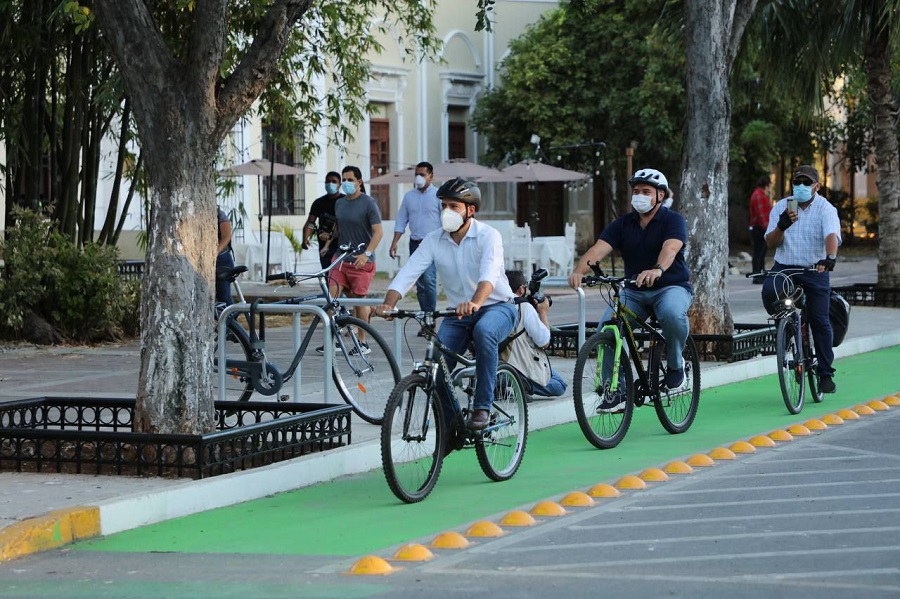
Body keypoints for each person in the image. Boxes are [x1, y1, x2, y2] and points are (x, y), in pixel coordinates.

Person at [374, 178, 517, 431]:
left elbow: (489, 276)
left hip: (497, 307)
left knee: (484, 332)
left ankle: (482, 407)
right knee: (437, 364)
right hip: (458, 314)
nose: (446, 212)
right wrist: (389, 303)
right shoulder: (433, 239)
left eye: (454, 206)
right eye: (443, 206)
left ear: (470, 210)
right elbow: (410, 271)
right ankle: (453, 427)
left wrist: (475, 302)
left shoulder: (488, 236)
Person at [567, 168, 692, 411]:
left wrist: (657, 269)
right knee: (608, 328)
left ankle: (677, 366)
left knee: (671, 314)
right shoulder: (623, 224)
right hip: (634, 291)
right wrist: (579, 271)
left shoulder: (673, 220)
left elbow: (671, 249)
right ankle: (615, 390)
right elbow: (597, 250)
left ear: (661, 195)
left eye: (646, 191)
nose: (640, 196)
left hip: (671, 286)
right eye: (636, 191)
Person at [762, 164, 841, 393]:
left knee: (819, 319)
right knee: (769, 291)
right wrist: (781, 226)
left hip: (815, 269)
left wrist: (830, 258)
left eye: (807, 183)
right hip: (785, 267)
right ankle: (785, 333)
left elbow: (831, 235)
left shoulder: (825, 209)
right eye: (797, 183)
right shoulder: (782, 207)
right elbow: (770, 243)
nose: (802, 187)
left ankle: (825, 373)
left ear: (816, 186)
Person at [322, 165, 383, 353]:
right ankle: (332, 338)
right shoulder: (339, 204)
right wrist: (327, 243)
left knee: (358, 300)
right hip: (341, 258)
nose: (346, 183)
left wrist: (366, 254)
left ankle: (362, 342)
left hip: (361, 260)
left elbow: (378, 232)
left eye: (350, 179)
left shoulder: (369, 203)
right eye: (344, 179)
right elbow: (340, 228)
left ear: (359, 182)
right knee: (332, 298)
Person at [503, 270, 567, 399]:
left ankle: (501, 382)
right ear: (521, 289)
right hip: (517, 366)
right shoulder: (524, 307)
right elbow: (544, 342)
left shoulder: (493, 304)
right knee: (560, 384)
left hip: (493, 365)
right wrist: (543, 312)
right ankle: (523, 384)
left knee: (549, 373)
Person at [389, 162, 441, 315]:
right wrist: (394, 242)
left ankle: (429, 317)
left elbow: (445, 220)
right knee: (419, 282)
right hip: (415, 243)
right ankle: (425, 316)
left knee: (429, 280)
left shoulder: (438, 196)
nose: (419, 178)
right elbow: (401, 220)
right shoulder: (409, 196)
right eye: (416, 174)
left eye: (422, 174)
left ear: (431, 177)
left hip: (432, 243)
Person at [301, 171, 343, 270]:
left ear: (339, 184)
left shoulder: (345, 201)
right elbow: (311, 223)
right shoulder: (319, 203)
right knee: (327, 273)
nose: (330, 184)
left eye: (334, 181)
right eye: (328, 181)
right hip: (324, 244)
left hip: (342, 243)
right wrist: (305, 238)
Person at [749, 176, 772, 282]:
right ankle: (757, 275)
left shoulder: (761, 195)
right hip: (760, 227)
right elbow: (761, 214)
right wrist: (767, 228)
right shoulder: (759, 195)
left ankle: (760, 273)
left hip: (761, 227)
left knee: (761, 252)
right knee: (758, 252)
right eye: (770, 185)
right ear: (766, 185)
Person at [216, 206, 235, 305]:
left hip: (222, 259)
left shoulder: (220, 214)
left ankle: (231, 317)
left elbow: (227, 237)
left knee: (224, 295)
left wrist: (216, 251)